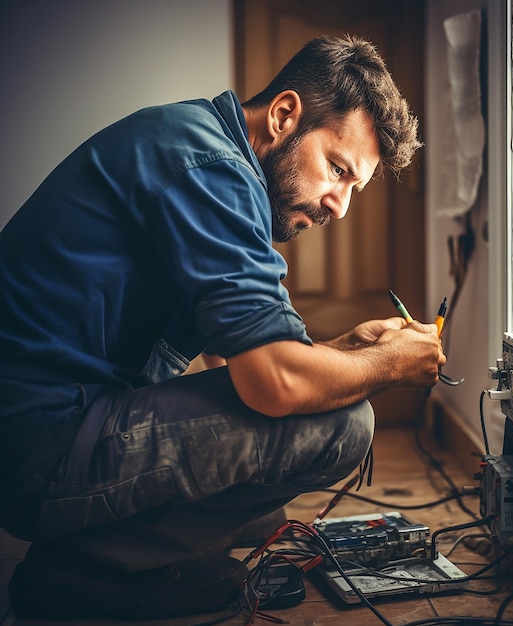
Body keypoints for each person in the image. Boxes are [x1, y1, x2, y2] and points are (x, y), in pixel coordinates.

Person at [0, 34, 446, 620]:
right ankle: (82, 575)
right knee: (342, 424)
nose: (339, 205)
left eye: (353, 188)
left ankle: (107, 556)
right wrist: (385, 366)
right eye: (336, 169)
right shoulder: (213, 170)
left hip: (47, 426)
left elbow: (234, 362)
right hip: (38, 447)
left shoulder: (200, 146)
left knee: (262, 512)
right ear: (285, 115)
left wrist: (344, 349)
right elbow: (273, 384)